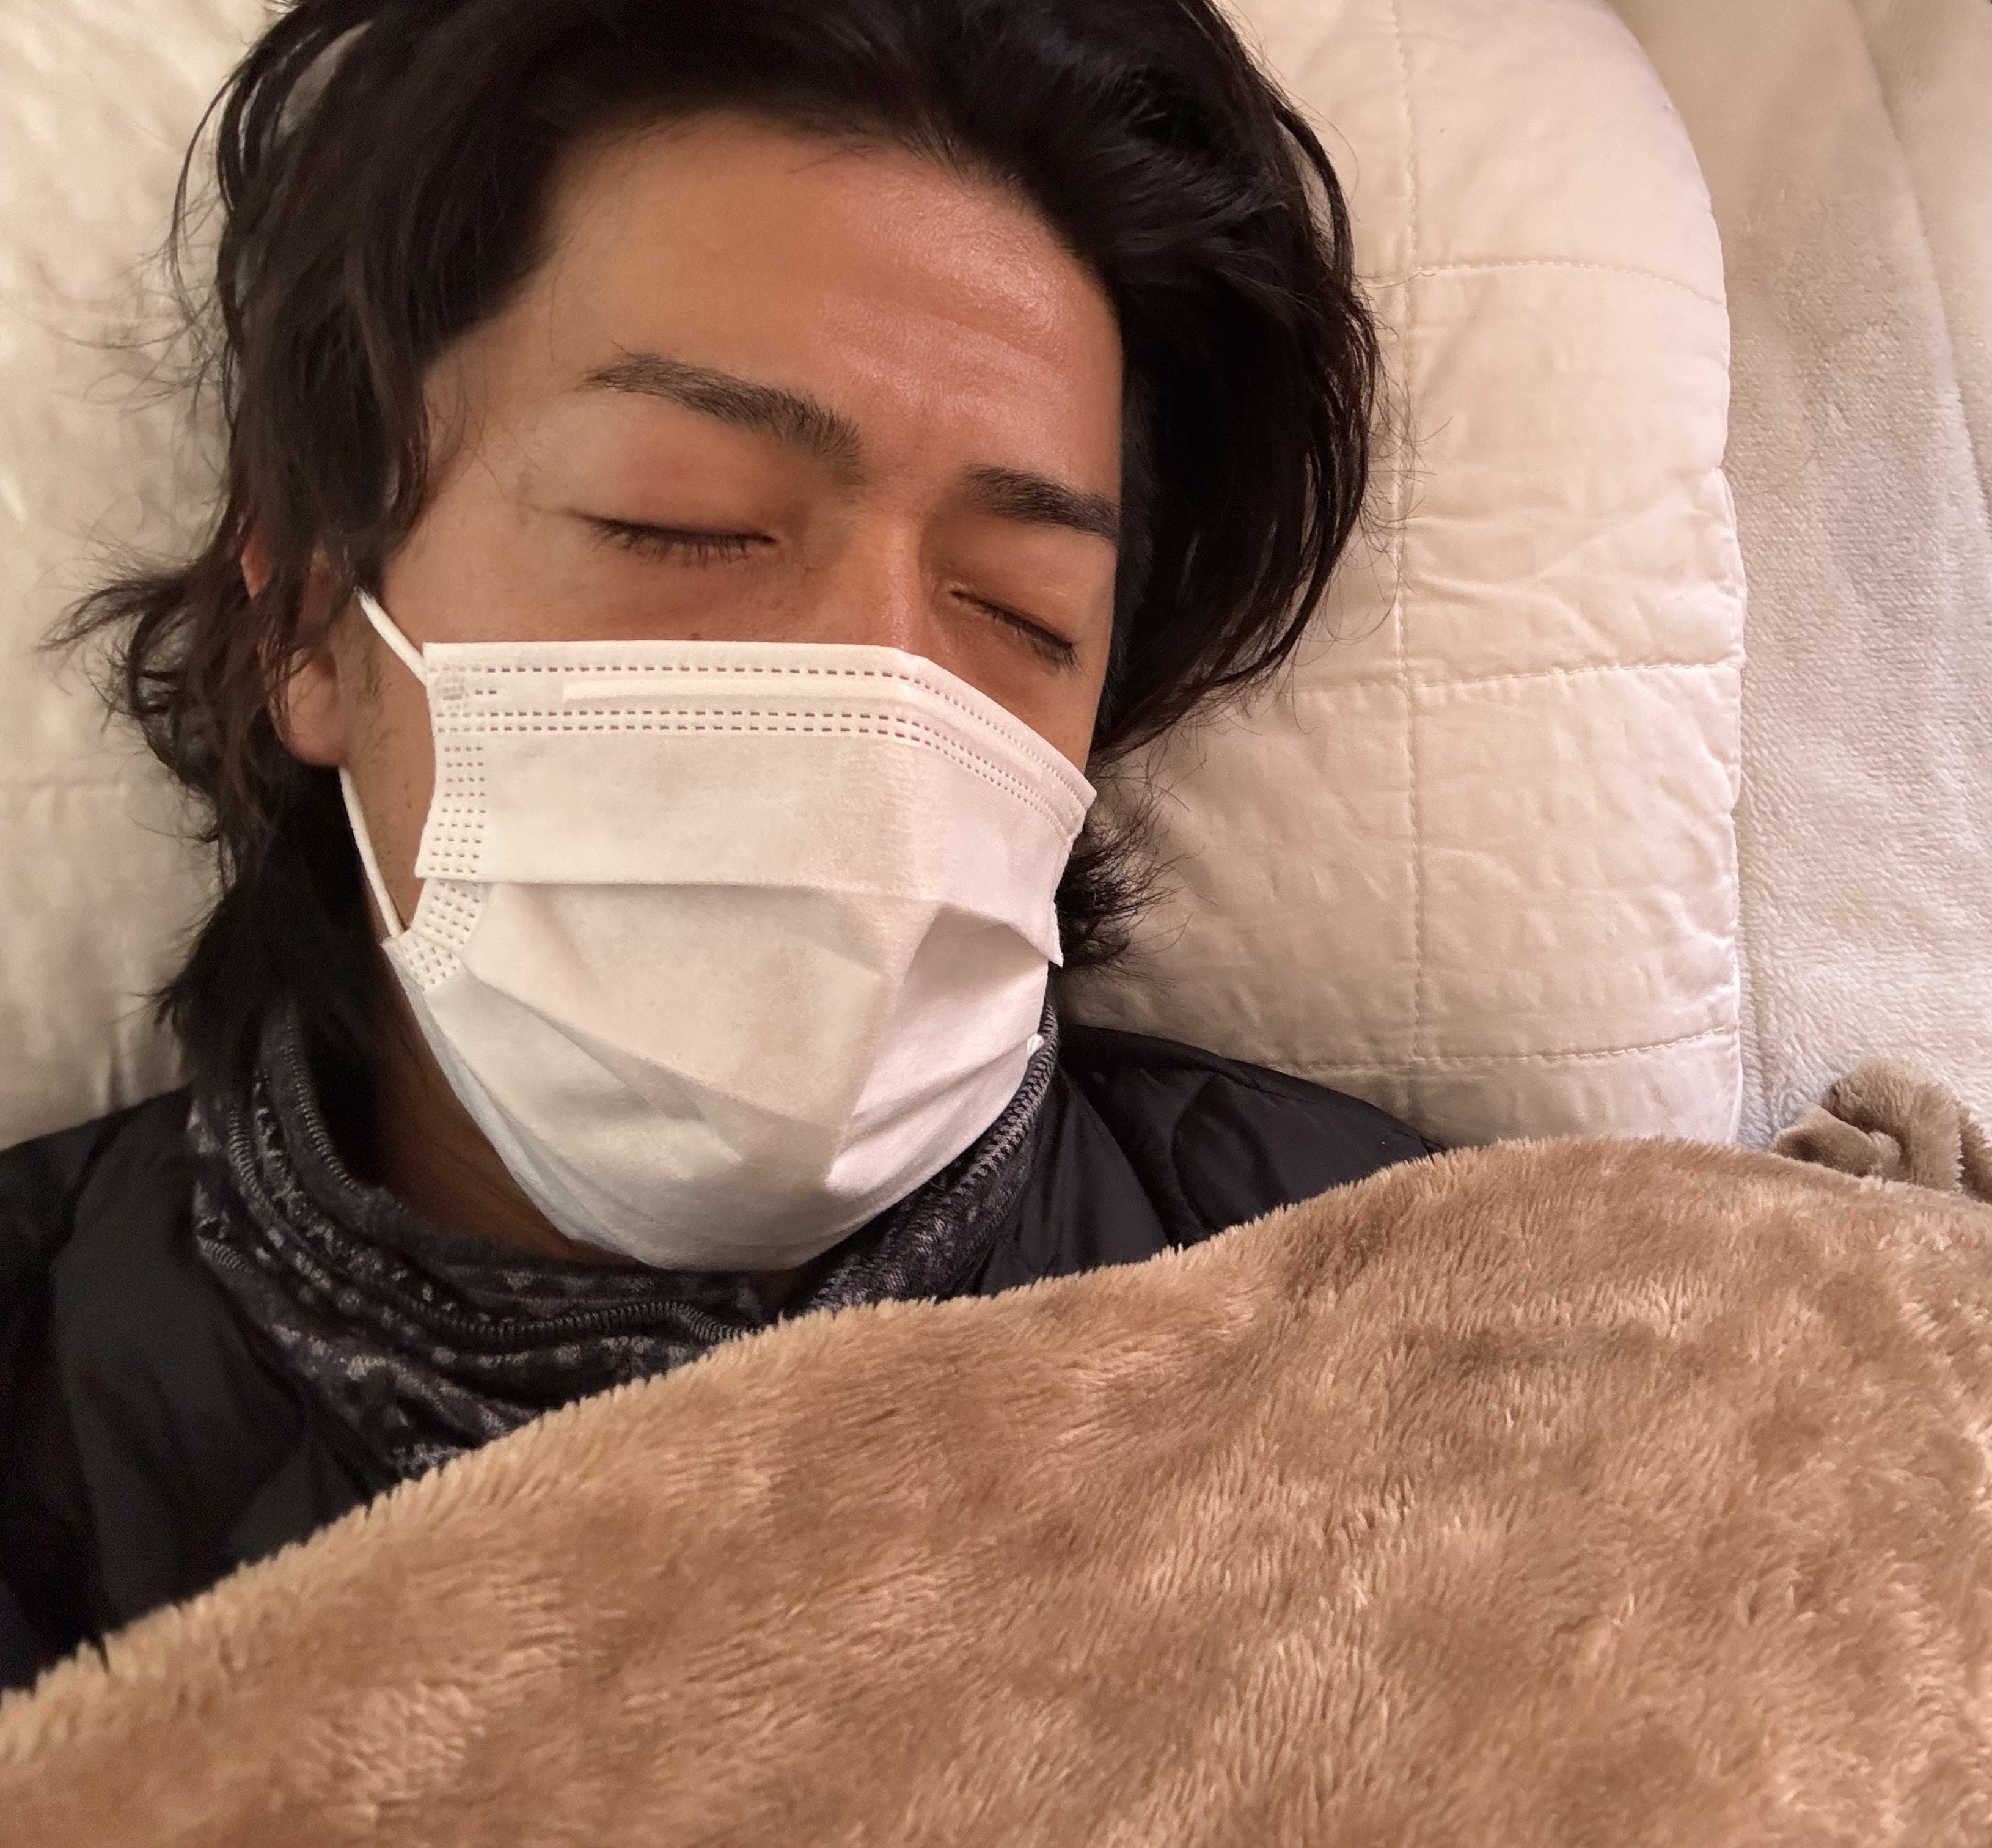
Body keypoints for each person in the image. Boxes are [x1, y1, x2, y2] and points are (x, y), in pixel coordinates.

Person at [0, 0, 1437, 1693]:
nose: (872, 700)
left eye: (1020, 608)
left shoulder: (1403, 1305)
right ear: (311, 623)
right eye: (684, 522)